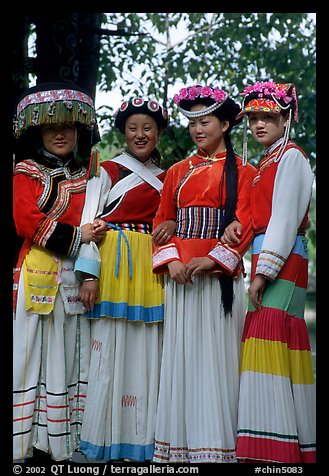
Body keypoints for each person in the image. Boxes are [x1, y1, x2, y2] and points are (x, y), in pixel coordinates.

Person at [151, 84, 257, 463]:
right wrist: (172, 262)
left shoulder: (245, 171)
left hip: (216, 280)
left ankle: (218, 447)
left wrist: (213, 261)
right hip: (182, 279)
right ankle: (182, 446)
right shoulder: (177, 171)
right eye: (193, 122)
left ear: (225, 124)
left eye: (206, 121)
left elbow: (248, 223)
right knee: (183, 359)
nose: (197, 129)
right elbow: (159, 223)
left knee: (219, 360)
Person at [74, 97, 175, 462]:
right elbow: (89, 218)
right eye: (133, 128)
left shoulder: (170, 178)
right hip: (114, 261)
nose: (140, 134)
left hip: (150, 267)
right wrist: (89, 274)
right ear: (123, 132)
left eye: (147, 128)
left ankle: (143, 439)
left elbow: (173, 222)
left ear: (159, 132)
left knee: (150, 350)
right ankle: (100, 438)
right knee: (108, 351)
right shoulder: (107, 170)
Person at [222, 81, 316, 463]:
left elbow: (282, 221)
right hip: (267, 255)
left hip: (283, 258)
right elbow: (257, 221)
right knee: (268, 342)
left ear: (286, 118)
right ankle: (280, 442)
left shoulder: (292, 157)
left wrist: (263, 271)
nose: (259, 125)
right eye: (255, 119)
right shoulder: (266, 163)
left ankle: (276, 448)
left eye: (269, 117)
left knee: (269, 336)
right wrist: (235, 233)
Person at [12, 82, 106, 462]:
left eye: (68, 127)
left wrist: (89, 265)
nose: (61, 134)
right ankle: (29, 442)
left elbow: (100, 223)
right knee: (31, 351)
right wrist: (77, 235)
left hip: (76, 276)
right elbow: (24, 219)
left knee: (71, 352)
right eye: (52, 127)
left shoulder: (91, 176)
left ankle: (64, 439)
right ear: (40, 131)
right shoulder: (27, 172)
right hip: (38, 269)